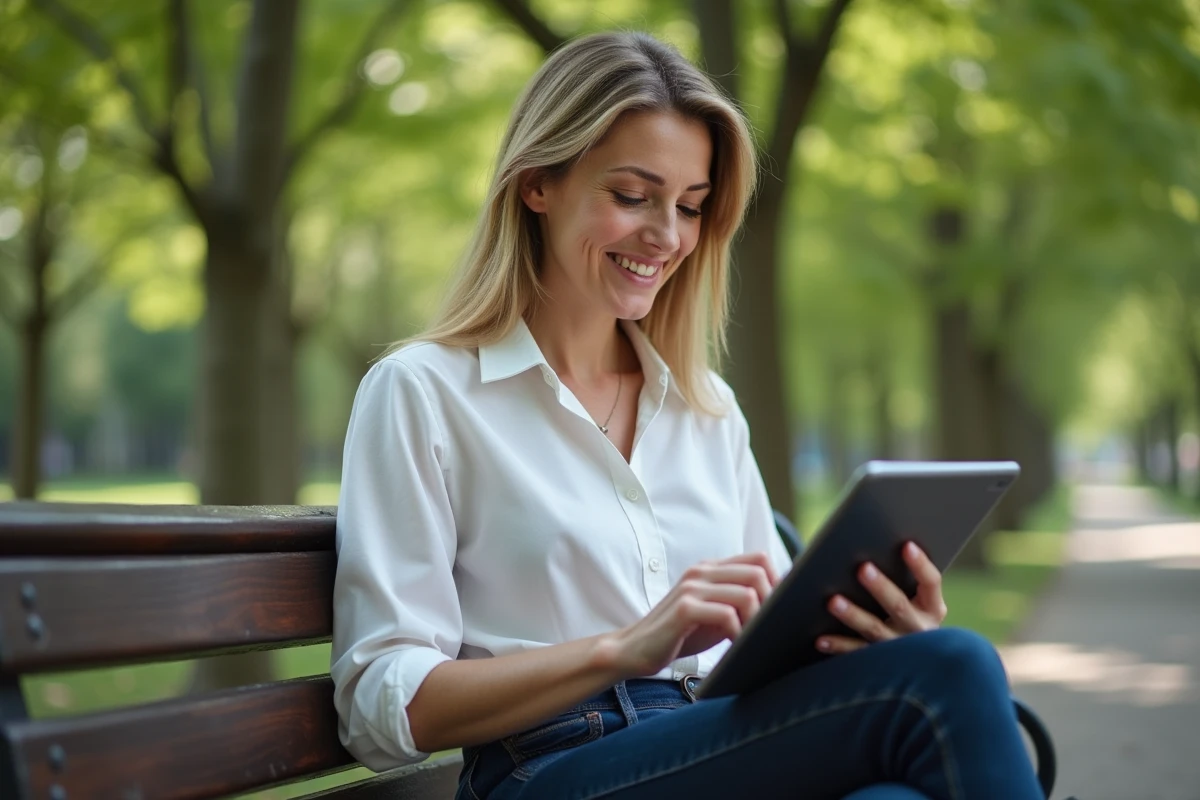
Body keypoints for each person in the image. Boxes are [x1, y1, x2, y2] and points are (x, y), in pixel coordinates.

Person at [330, 31, 1043, 800]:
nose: (666, 236)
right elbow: (380, 707)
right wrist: (622, 650)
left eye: (691, 207)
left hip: (712, 743)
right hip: (549, 768)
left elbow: (769, 637)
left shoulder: (707, 409)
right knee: (956, 667)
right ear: (538, 183)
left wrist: (879, 631)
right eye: (632, 196)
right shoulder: (423, 392)